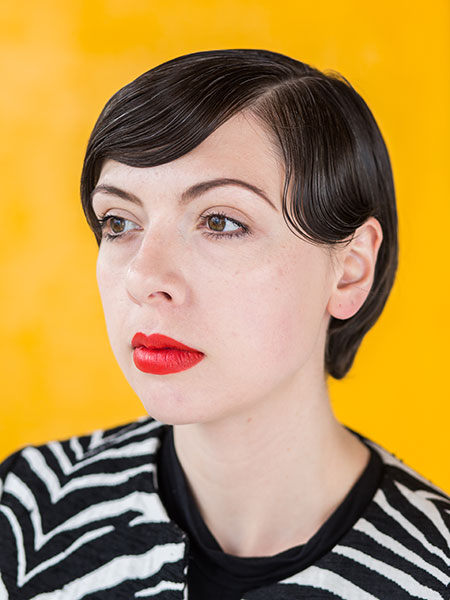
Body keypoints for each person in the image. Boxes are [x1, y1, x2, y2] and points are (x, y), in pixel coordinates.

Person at [0, 49, 448, 600]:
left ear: (350, 269)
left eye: (220, 221)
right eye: (119, 222)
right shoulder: (27, 507)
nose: (144, 276)